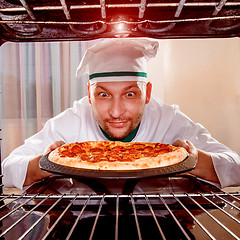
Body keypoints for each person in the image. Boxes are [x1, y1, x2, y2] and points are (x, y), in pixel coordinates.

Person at [2, 38, 240, 190]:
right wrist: (45, 165)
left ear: (147, 93)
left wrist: (193, 159)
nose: (116, 112)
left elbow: (236, 167)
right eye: (103, 95)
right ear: (89, 93)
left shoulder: (169, 119)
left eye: (129, 95)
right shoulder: (69, 121)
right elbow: (8, 169)